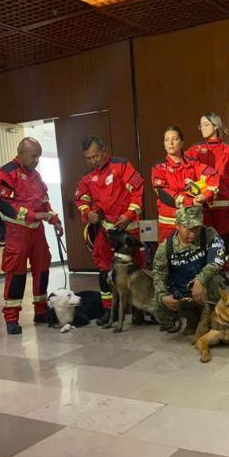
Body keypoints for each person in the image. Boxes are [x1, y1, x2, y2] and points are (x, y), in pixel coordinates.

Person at [0, 138, 63, 334]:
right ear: (21, 152)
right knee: (16, 273)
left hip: (37, 232)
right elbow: (4, 205)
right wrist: (33, 215)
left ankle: (40, 312)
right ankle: (12, 318)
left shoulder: (36, 176)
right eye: (33, 156)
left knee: (42, 269)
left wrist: (54, 219)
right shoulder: (6, 173)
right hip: (17, 232)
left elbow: (44, 203)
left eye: (39, 156)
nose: (37, 160)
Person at [74, 136, 145, 325]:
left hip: (128, 230)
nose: (93, 161)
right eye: (88, 158)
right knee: (104, 268)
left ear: (104, 150)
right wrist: (88, 212)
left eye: (95, 156)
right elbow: (80, 198)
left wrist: (130, 214)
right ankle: (109, 310)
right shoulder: (88, 177)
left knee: (135, 267)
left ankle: (138, 310)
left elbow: (138, 191)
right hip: (106, 231)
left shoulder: (121, 166)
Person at [151, 206, 227, 337]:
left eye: (196, 228)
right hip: (182, 292)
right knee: (157, 304)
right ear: (177, 226)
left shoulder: (209, 234)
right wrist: (163, 296)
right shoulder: (166, 247)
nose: (193, 232)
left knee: (215, 282)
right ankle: (188, 319)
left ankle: (210, 318)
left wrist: (200, 280)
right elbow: (158, 274)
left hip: (204, 288)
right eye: (188, 228)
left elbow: (217, 261)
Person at [186, 112, 229, 251]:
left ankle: (222, 270)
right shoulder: (194, 150)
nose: (203, 128)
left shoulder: (228, 150)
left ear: (216, 126)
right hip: (201, 203)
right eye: (201, 125)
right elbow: (187, 176)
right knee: (203, 240)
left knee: (222, 239)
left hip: (223, 204)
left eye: (206, 124)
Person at [152, 126, 217, 243]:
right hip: (169, 223)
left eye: (175, 139)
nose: (170, 143)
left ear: (182, 143)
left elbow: (213, 176)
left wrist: (205, 196)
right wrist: (190, 202)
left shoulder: (193, 164)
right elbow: (162, 192)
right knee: (169, 257)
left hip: (191, 224)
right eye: (166, 140)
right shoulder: (159, 167)